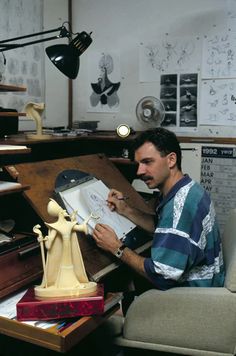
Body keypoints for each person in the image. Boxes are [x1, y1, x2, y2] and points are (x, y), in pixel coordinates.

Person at [92, 128, 225, 293]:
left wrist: (116, 248)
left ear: (171, 160)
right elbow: (161, 225)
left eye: (148, 162)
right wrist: (125, 209)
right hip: (204, 286)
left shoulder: (181, 206)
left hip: (193, 297)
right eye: (138, 163)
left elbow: (161, 275)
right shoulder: (186, 188)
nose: (139, 171)